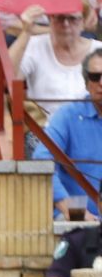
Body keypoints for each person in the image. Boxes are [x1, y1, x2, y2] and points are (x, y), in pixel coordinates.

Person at [35, 46, 102, 217]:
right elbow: (42, 159)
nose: (101, 82)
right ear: (87, 84)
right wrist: (75, 211)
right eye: (95, 77)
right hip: (79, 224)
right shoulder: (68, 115)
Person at [10, 3, 101, 123]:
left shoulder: (98, 49)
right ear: (50, 20)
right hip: (46, 130)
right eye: (60, 18)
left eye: (73, 18)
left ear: (83, 22)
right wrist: (26, 32)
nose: (66, 24)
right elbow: (5, 78)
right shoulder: (34, 45)